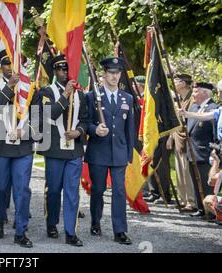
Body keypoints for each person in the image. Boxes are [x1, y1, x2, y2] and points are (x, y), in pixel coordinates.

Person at [0, 49, 36, 248]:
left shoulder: (30, 88)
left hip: (23, 147)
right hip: (0, 146)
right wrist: (10, 87)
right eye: (7, 63)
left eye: (16, 63)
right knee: (0, 188)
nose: (12, 67)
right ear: (1, 66)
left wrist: (28, 131)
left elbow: (40, 115)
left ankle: (21, 230)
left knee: (22, 189)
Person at [37, 55, 88, 246]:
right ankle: (51, 223)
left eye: (67, 69)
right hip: (54, 149)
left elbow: (85, 119)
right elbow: (48, 115)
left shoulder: (81, 94)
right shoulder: (46, 92)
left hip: (74, 150)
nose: (65, 73)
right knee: (54, 190)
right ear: (54, 72)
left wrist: (79, 131)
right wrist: (65, 95)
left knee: (72, 192)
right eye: (60, 69)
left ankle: (70, 231)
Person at [85, 57, 134, 245]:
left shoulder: (127, 98)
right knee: (98, 189)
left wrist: (129, 153)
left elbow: (129, 128)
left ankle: (120, 230)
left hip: (119, 152)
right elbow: (85, 122)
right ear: (104, 74)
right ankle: (96, 221)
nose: (115, 76)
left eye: (118, 73)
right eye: (111, 73)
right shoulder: (92, 96)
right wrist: (94, 129)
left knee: (120, 191)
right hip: (99, 151)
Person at [179, 82, 218, 218]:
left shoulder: (214, 108)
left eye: (196, 92)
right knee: (196, 182)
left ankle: (211, 212)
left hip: (204, 152)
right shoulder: (194, 107)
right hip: (192, 152)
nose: (193, 95)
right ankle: (201, 208)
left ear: (205, 93)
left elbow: (214, 133)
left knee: (206, 183)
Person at [165, 73, 196, 211]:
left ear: (184, 83)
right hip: (178, 139)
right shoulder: (179, 99)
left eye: (177, 81)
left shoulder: (192, 100)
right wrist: (171, 136)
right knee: (179, 171)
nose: (174, 83)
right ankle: (183, 199)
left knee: (186, 171)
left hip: (187, 141)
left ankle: (191, 201)